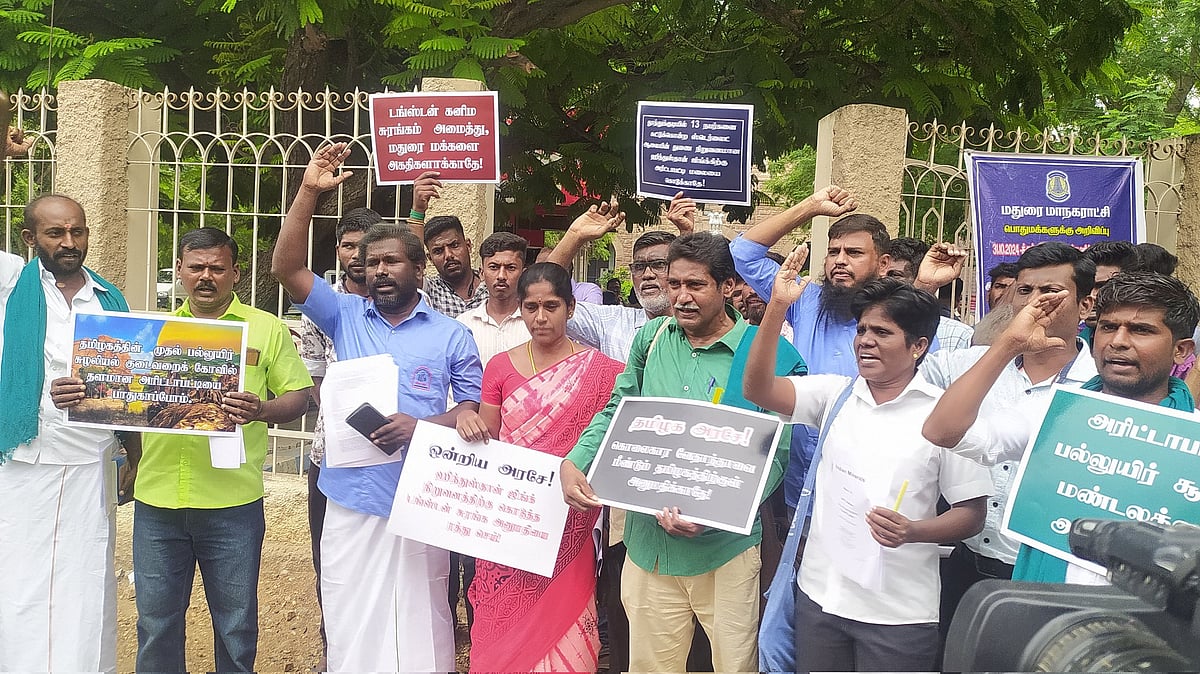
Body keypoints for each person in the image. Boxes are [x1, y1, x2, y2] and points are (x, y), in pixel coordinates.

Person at [272, 142, 483, 671]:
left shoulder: (453, 334)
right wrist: (308, 191)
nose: (379, 271)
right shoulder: (345, 314)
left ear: (417, 267)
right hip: (352, 492)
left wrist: (422, 425)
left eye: (391, 260)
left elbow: (473, 411)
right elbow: (285, 265)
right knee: (348, 608)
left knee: (422, 615)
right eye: (370, 264)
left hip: (422, 493)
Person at [561, 232, 808, 673]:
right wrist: (576, 461)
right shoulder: (652, 338)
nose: (681, 297)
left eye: (695, 285)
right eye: (674, 284)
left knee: (735, 665)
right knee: (651, 665)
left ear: (728, 286)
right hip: (648, 544)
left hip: (725, 548)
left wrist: (712, 511)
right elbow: (619, 408)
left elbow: (774, 455)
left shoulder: (767, 353)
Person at [742, 264, 990, 672]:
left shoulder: (944, 417)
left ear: (918, 346)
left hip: (897, 613)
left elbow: (971, 513)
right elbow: (758, 389)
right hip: (821, 597)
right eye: (862, 330)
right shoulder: (834, 395)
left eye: (883, 333)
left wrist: (914, 532)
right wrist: (778, 308)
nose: (866, 342)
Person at [923, 271, 1199, 584]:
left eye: (1141, 330)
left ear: (1182, 350)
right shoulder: (1054, 412)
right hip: (1041, 615)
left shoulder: (1191, 442)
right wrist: (1007, 346)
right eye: (1108, 327)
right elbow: (943, 432)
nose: (1118, 342)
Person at [131, 227, 313, 672]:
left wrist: (263, 407)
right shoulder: (150, 334)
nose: (206, 276)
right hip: (158, 498)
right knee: (156, 622)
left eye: (217, 267)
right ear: (179, 271)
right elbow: (126, 404)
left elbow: (300, 396)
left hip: (232, 502)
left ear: (236, 272)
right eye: (196, 267)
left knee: (235, 624)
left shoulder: (265, 329)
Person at [919, 242, 1098, 643]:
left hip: (1044, 577)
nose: (1035, 304)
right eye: (1024, 291)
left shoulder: (1101, 388)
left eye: (1050, 292)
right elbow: (898, 371)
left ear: (1086, 307)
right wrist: (925, 288)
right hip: (966, 566)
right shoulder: (972, 365)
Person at [456, 262, 625, 672]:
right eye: (530, 307)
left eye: (551, 306)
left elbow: (608, 442)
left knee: (567, 620)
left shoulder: (604, 372)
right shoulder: (499, 366)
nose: (540, 317)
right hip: (509, 519)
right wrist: (466, 418)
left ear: (570, 307)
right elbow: (489, 443)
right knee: (500, 625)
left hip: (570, 519)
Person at [0, 194, 131, 673]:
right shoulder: (11, 283)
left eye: (77, 231)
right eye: (55, 233)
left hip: (90, 466)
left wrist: (132, 452)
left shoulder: (110, 298)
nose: (69, 242)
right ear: (29, 239)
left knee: (85, 585)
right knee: (21, 584)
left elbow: (130, 384)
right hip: (25, 461)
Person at [296, 206, 379, 664]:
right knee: (331, 561)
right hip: (332, 456)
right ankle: (336, 652)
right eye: (348, 245)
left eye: (366, 247)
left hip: (394, 459)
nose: (357, 255)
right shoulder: (320, 306)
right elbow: (317, 385)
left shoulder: (408, 301)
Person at [450, 230, 532, 629]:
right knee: (465, 550)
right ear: (481, 271)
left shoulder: (537, 323)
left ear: (524, 270)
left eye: (511, 267)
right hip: (470, 450)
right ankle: (470, 629)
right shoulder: (460, 325)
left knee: (515, 546)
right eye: (494, 267)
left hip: (524, 453)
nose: (502, 275)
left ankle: (509, 627)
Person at [885, 237, 973, 350]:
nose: (882, 280)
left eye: (894, 275)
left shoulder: (955, 336)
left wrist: (924, 286)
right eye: (879, 272)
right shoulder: (860, 326)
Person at [423, 214, 488, 317]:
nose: (448, 255)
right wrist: (417, 212)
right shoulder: (429, 291)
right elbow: (410, 265)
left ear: (468, 246)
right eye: (438, 251)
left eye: (454, 246)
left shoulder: (489, 287)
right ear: (430, 258)